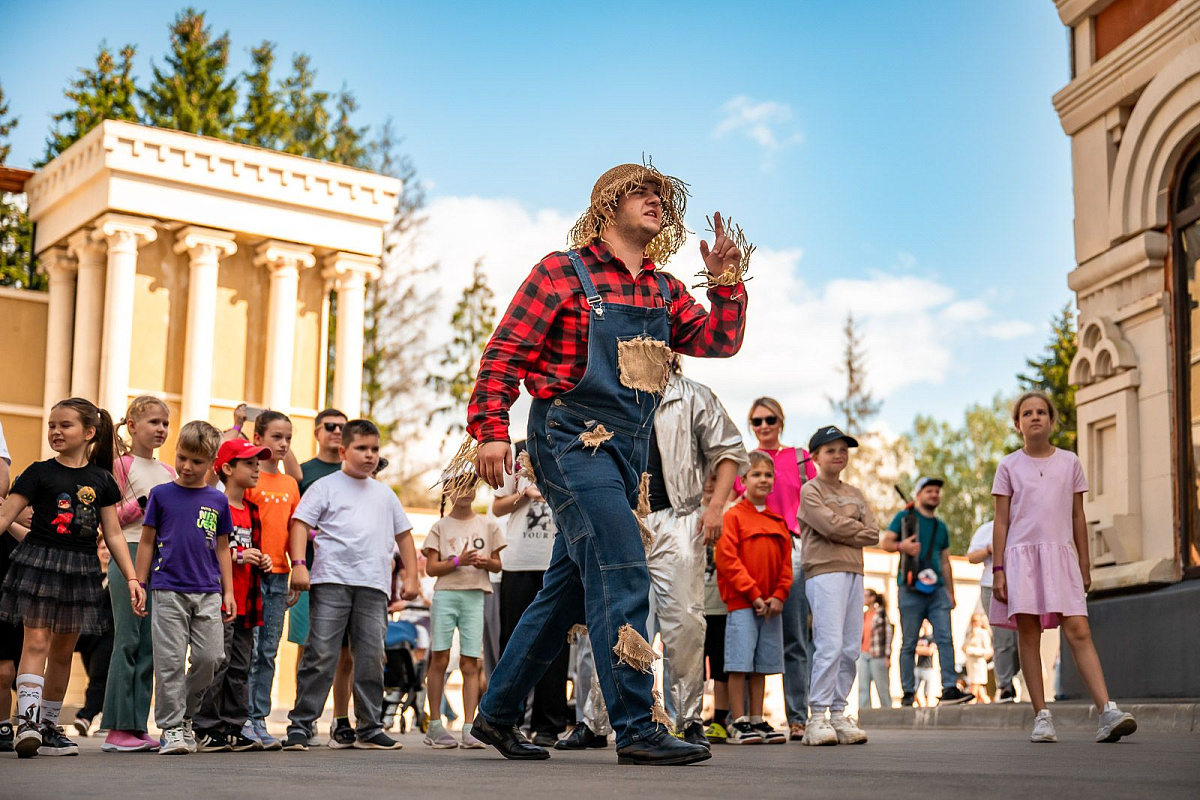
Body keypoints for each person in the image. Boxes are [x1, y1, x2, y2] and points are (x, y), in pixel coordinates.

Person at [469, 162, 746, 766]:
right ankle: (637, 727)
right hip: (568, 440)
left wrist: (726, 283)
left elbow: (718, 342)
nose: (655, 200)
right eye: (641, 191)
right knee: (624, 566)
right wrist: (491, 432)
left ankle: (495, 715)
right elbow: (504, 354)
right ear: (607, 204)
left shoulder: (664, 289)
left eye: (662, 194)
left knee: (567, 591)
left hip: (626, 454)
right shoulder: (560, 272)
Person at [0, 398, 143, 759]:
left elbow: (112, 534)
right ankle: (28, 723)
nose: (55, 432)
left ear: (89, 433)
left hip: (81, 569)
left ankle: (48, 728)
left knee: (63, 652)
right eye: (52, 425)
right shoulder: (37, 472)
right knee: (35, 644)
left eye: (65, 425)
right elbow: (5, 517)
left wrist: (131, 578)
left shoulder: (102, 480)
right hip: (39, 564)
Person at [991, 391, 1137, 744]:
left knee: (1079, 630)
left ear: (1052, 421)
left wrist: (1084, 562)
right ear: (1018, 424)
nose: (1035, 417)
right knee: (1029, 634)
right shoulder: (1008, 466)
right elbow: (1000, 521)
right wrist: (998, 569)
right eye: (1028, 413)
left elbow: (1077, 515)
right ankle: (1041, 716)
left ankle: (1107, 712)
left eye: (1042, 412)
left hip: (1062, 557)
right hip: (1021, 558)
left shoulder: (1070, 462)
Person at [282, 419, 420, 751]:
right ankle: (301, 726)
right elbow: (299, 524)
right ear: (344, 450)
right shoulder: (325, 486)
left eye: (374, 449)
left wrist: (412, 577)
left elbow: (404, 536)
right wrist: (299, 565)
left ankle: (370, 727)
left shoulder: (385, 494)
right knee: (321, 653)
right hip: (331, 581)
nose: (369, 455)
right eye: (361, 448)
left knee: (372, 656)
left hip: (374, 586)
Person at [134, 420, 236, 755]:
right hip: (167, 589)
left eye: (196, 461)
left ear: (211, 463)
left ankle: (187, 714)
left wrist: (229, 591)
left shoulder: (217, 501)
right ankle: (171, 728)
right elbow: (147, 541)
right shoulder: (162, 495)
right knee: (169, 662)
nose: (187, 466)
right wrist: (139, 581)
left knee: (211, 657)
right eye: (181, 458)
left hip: (208, 590)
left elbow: (223, 547)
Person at [737, 397, 816, 740]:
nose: (764, 426)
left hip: (793, 546)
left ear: (781, 421)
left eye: (770, 419)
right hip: (753, 548)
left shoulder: (800, 458)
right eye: (757, 421)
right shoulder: (744, 462)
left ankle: (798, 716)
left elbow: (816, 499)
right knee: (749, 634)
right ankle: (748, 718)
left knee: (795, 636)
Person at [102, 395, 175, 753]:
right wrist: (144, 504)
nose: (161, 429)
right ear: (132, 426)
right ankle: (115, 728)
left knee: (149, 644)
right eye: (153, 422)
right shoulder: (121, 465)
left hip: (158, 557)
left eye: (164, 423)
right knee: (127, 638)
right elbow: (111, 518)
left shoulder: (169, 473)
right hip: (127, 554)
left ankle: (137, 725)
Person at [798, 425, 879, 746]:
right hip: (823, 571)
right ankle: (816, 717)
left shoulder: (856, 493)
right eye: (830, 450)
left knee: (848, 648)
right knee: (829, 644)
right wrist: (851, 527)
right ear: (815, 456)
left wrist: (843, 528)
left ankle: (837, 712)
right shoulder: (811, 490)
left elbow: (872, 532)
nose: (838, 454)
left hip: (854, 571)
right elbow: (827, 526)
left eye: (843, 449)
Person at [193, 438, 274, 751]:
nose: (256, 469)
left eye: (257, 463)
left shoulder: (252, 510)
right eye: (249, 463)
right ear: (227, 468)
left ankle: (232, 726)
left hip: (247, 602)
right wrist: (238, 556)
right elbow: (204, 546)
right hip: (218, 599)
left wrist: (262, 559)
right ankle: (205, 725)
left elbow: (255, 548)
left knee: (241, 666)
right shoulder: (213, 503)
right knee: (217, 663)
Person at [494, 440, 569, 748]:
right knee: (513, 639)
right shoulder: (516, 455)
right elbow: (497, 506)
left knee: (556, 643)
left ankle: (548, 724)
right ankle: (505, 717)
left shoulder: (567, 452)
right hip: (518, 562)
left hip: (556, 562)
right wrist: (523, 494)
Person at [291, 408, 357, 748]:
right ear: (317, 432)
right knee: (309, 649)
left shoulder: (358, 472)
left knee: (345, 653)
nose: (336, 432)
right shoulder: (303, 473)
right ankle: (305, 721)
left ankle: (341, 720)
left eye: (342, 428)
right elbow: (295, 522)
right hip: (310, 574)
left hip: (348, 576)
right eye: (330, 427)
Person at [715, 451, 791, 745]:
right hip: (744, 604)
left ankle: (757, 719)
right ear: (743, 480)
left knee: (761, 665)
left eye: (767, 475)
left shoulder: (778, 521)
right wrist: (755, 594)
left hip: (772, 607)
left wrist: (778, 596)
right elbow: (728, 560)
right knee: (739, 664)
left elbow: (786, 565)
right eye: (756, 474)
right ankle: (739, 721)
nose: (763, 479)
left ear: (774, 482)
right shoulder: (733, 516)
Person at [422, 483, 505, 749]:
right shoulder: (440, 527)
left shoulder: (488, 525)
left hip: (475, 595)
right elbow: (431, 568)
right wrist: (458, 561)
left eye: (469, 485)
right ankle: (434, 724)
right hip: (446, 595)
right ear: (447, 491)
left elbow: (497, 563)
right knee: (440, 658)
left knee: (471, 662)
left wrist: (483, 562)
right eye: (458, 486)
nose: (465, 491)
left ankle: (470, 729)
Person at [882, 476, 973, 706]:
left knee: (945, 639)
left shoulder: (941, 527)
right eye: (929, 491)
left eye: (936, 491)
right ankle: (908, 692)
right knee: (909, 642)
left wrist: (951, 592)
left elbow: (945, 561)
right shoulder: (905, 518)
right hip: (910, 587)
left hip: (937, 590)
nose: (934, 495)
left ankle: (950, 688)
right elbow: (886, 543)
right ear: (918, 495)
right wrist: (903, 546)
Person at [243, 410, 300, 749]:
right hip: (250, 574)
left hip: (279, 576)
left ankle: (258, 718)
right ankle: (241, 717)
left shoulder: (290, 484)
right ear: (258, 440)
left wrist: (295, 569)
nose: (283, 444)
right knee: (247, 649)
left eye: (288, 439)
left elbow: (295, 529)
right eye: (276, 437)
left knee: (268, 650)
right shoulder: (250, 480)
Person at [967, 520, 1020, 702]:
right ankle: (1005, 686)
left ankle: (1013, 676)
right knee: (1003, 637)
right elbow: (972, 557)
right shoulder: (987, 529)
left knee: (1020, 640)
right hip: (993, 586)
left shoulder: (1025, 523)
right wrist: (990, 549)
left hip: (1022, 585)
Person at [71, 537, 115, 737]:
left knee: (98, 676)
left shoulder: (118, 577)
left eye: (109, 547)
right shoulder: (90, 576)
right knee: (95, 676)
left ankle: (85, 716)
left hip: (107, 634)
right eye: (102, 547)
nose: (106, 551)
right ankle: (105, 716)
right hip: (87, 636)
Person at [857, 588, 893, 710]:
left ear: (872, 598)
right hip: (863, 654)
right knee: (863, 687)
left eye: (866, 596)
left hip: (878, 655)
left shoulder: (881, 615)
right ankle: (865, 715)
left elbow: (888, 636)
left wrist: (887, 656)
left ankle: (888, 714)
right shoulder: (863, 615)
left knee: (882, 687)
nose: (863, 599)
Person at [963, 613, 993, 705]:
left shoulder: (983, 633)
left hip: (979, 663)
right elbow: (963, 646)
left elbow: (988, 650)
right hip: (970, 664)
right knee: (980, 690)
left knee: (975, 685)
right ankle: (988, 705)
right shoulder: (969, 633)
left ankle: (970, 702)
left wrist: (973, 651)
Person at [913, 623, 937, 706]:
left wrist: (921, 649)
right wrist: (924, 649)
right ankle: (922, 707)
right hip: (918, 667)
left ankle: (927, 708)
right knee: (913, 691)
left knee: (927, 692)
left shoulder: (932, 638)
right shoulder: (919, 638)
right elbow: (913, 649)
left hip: (928, 668)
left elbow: (930, 651)